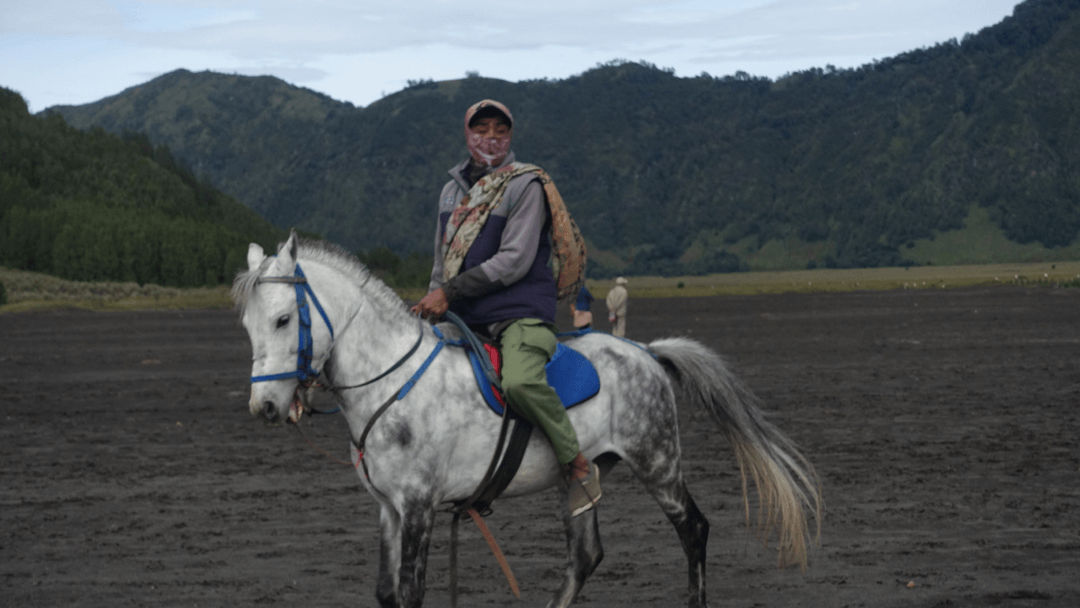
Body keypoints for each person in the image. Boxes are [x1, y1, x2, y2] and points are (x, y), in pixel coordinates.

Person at [411, 99, 601, 517]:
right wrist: (432, 306)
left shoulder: (524, 185)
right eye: (482, 130)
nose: (491, 138)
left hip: (518, 311)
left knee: (518, 383)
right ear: (467, 134)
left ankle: (577, 462)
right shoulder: (450, 192)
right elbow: (441, 262)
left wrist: (449, 293)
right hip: (465, 314)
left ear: (510, 136)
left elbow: (513, 260)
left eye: (500, 130)